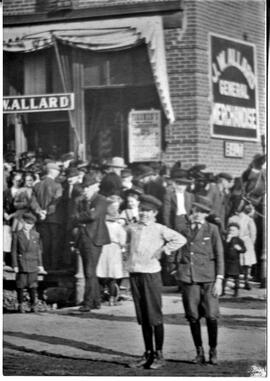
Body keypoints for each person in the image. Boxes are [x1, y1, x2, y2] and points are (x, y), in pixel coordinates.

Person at [127, 194, 186, 370]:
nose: (144, 213)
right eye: (142, 210)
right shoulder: (133, 227)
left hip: (151, 275)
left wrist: (163, 250)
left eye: (148, 211)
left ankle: (159, 354)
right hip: (135, 274)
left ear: (154, 213)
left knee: (154, 316)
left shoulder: (160, 228)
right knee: (143, 317)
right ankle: (148, 353)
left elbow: (180, 239)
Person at [177, 196, 224, 365]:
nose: (198, 215)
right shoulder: (184, 229)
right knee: (193, 316)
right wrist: (176, 269)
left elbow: (219, 255)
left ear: (206, 215)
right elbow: (178, 250)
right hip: (190, 278)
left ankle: (213, 350)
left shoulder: (212, 229)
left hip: (209, 278)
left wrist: (219, 279)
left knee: (212, 315)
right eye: (196, 211)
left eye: (202, 212)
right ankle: (199, 351)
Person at [74, 174, 110, 312]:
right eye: (84, 187)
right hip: (83, 238)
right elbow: (76, 216)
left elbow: (93, 216)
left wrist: (79, 217)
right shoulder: (82, 201)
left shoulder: (100, 200)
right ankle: (95, 301)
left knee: (89, 271)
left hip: (95, 238)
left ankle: (88, 302)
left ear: (95, 187)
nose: (85, 190)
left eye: (88, 187)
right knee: (90, 271)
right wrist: (82, 216)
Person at [11, 212, 44, 313]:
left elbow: (39, 251)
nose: (27, 226)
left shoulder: (36, 235)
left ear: (33, 225)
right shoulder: (17, 235)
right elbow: (14, 251)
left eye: (30, 224)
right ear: (22, 222)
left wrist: (40, 265)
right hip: (22, 263)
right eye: (25, 223)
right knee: (20, 285)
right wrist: (15, 265)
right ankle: (21, 305)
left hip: (33, 263)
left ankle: (33, 305)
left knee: (33, 285)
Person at [96, 195, 127, 306]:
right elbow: (122, 239)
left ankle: (106, 297)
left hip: (108, 248)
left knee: (107, 273)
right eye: (113, 208)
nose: (115, 211)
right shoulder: (110, 223)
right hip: (109, 248)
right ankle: (108, 297)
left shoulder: (113, 222)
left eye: (117, 208)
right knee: (107, 273)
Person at [34, 162, 63, 270]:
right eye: (58, 171)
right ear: (54, 172)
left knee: (44, 241)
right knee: (55, 241)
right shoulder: (57, 185)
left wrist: (40, 212)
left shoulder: (37, 185)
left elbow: (33, 201)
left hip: (40, 218)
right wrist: (47, 212)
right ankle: (54, 265)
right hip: (54, 218)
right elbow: (56, 202)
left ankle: (44, 264)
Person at [228, 202, 257, 290]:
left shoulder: (232, 218)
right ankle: (246, 281)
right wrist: (251, 242)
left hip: (235, 241)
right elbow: (253, 232)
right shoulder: (249, 219)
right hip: (246, 241)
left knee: (237, 262)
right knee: (246, 264)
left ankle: (236, 281)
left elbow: (229, 229)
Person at [222, 223, 246, 297]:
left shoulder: (240, 240)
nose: (231, 232)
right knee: (225, 277)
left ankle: (236, 291)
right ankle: (222, 291)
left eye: (233, 230)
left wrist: (240, 249)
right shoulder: (226, 239)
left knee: (236, 277)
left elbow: (244, 250)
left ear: (238, 231)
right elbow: (223, 248)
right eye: (230, 230)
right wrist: (228, 240)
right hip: (227, 261)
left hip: (235, 261)